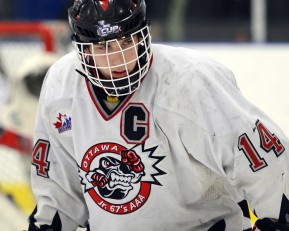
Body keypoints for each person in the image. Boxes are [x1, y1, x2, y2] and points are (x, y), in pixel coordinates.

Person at [27, 0, 289, 230]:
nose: (119, 59)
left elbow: (266, 162)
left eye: (127, 40)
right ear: (82, 50)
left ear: (144, 35)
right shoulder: (62, 87)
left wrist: (278, 222)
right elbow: (59, 191)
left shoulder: (189, 81)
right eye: (103, 46)